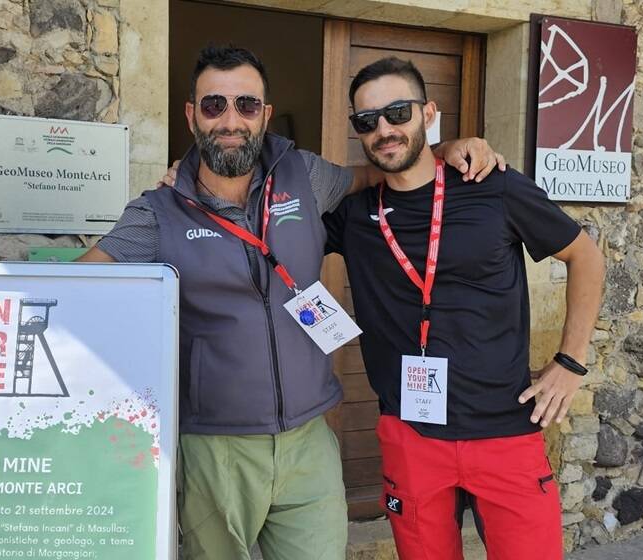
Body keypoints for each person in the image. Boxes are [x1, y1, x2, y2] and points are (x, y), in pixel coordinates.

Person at [73, 46, 502, 560]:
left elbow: (379, 171)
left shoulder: (304, 174)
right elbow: (78, 287)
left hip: (310, 442)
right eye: (213, 106)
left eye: (246, 105)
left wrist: (448, 146)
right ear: (191, 115)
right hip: (215, 446)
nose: (230, 120)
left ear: (265, 114)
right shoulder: (157, 214)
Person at [324, 57, 605, 560]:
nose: (384, 129)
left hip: (505, 430)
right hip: (410, 436)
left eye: (397, 112)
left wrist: (570, 361)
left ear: (428, 112)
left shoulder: (493, 186)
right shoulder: (355, 215)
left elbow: (584, 255)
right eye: (367, 121)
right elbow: (278, 204)